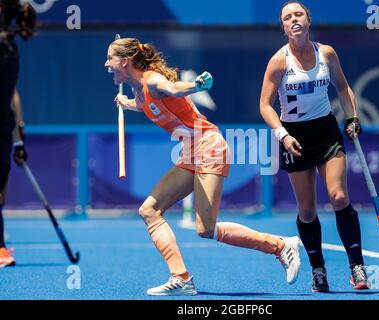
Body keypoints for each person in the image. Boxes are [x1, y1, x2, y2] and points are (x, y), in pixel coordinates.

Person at [105, 37, 301, 296]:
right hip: (190, 152)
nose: (106, 64)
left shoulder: (152, 80)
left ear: (125, 62)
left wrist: (195, 86)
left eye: (110, 58)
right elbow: (146, 105)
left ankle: (279, 245)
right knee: (150, 210)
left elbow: (174, 89)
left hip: (209, 146)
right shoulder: (138, 91)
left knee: (205, 229)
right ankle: (181, 278)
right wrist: (127, 104)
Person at [260, 1, 370, 292]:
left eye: (298, 15)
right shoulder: (279, 62)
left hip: (325, 131)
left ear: (308, 20)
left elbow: (344, 88)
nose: (293, 20)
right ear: (283, 27)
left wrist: (352, 116)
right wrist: (283, 135)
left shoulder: (327, 54)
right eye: (287, 17)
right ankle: (318, 270)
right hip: (293, 136)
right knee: (307, 210)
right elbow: (264, 106)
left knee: (338, 195)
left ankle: (357, 267)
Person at [0, 0, 35, 267]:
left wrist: (18, 138)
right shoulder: (12, 49)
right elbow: (12, 95)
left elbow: (11, 95)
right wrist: (18, 137)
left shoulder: (5, 48)